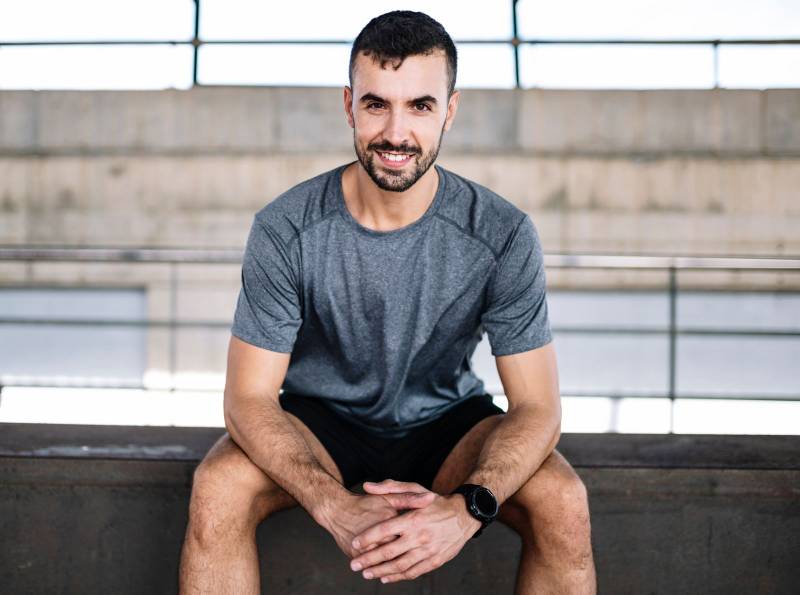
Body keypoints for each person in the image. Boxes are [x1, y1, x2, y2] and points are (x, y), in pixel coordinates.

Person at [179, 10, 596, 594]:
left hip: (444, 424)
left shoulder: (500, 233)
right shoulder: (285, 229)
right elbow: (247, 399)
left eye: (420, 106)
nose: (396, 133)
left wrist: (469, 508)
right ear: (349, 105)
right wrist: (332, 504)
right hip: (322, 425)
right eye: (377, 104)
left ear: (449, 110)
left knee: (562, 498)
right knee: (219, 486)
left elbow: (539, 409)